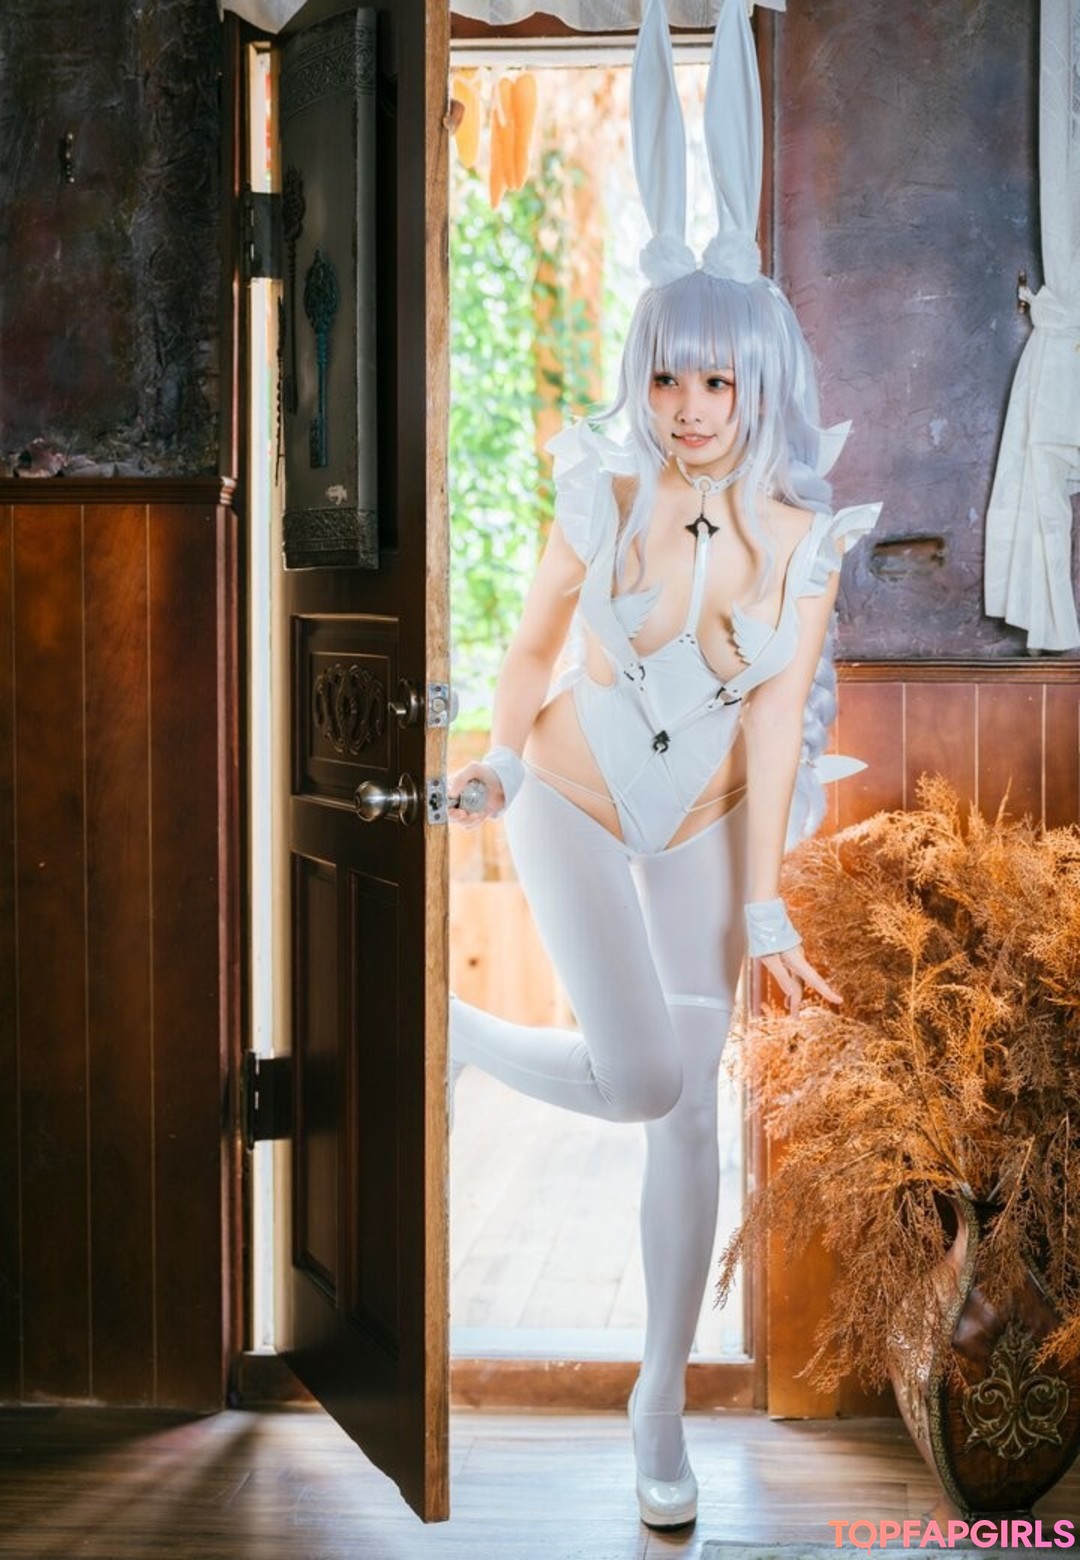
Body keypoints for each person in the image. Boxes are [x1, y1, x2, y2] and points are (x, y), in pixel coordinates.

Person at [447, 0, 880, 1531]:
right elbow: (527, 649)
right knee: (638, 1075)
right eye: (668, 381)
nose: (690, 413)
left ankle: (657, 1405)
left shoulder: (805, 540)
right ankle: (460, 1037)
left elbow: (771, 722)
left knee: (686, 1107)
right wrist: (498, 764)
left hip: (703, 821)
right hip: (571, 798)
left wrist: (762, 904)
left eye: (718, 383)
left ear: (761, 378)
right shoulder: (604, 490)